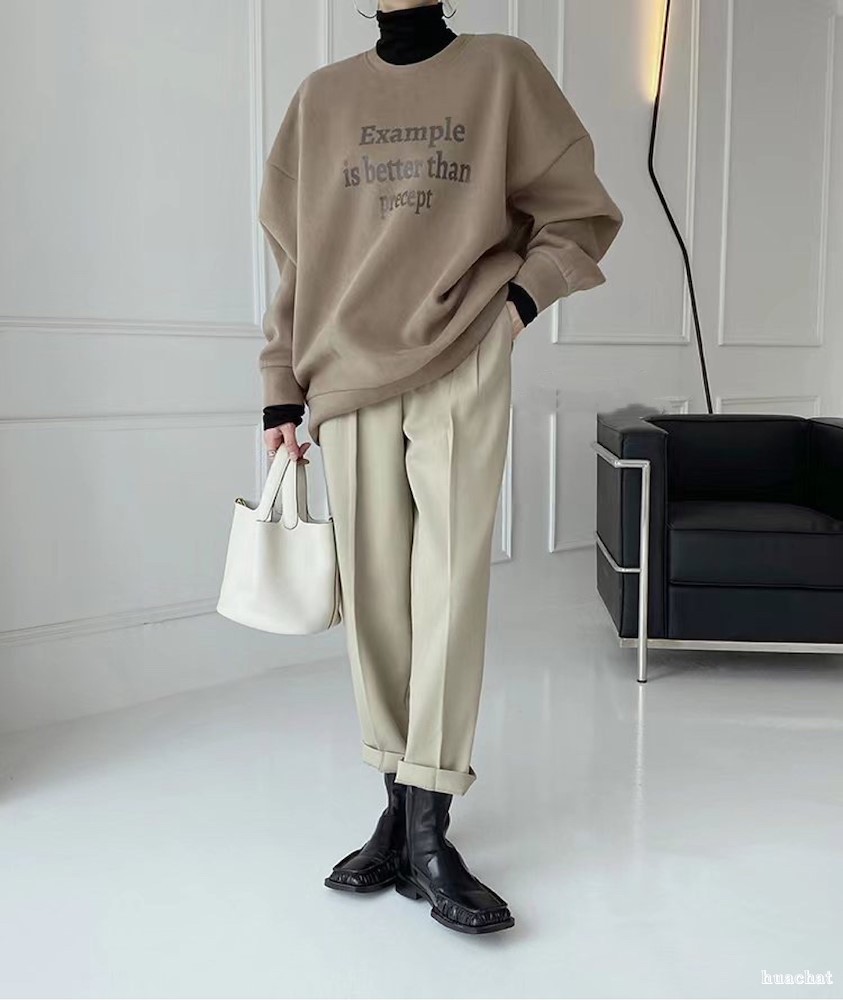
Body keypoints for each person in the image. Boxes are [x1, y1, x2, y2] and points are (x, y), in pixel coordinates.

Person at [258, 0, 622, 935]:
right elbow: (297, 264)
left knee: (449, 587)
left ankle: (429, 827)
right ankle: (395, 807)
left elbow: (577, 213)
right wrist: (280, 390)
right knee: (376, 598)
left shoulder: (501, 70)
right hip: (344, 376)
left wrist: (512, 312)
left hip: (459, 357)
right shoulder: (320, 98)